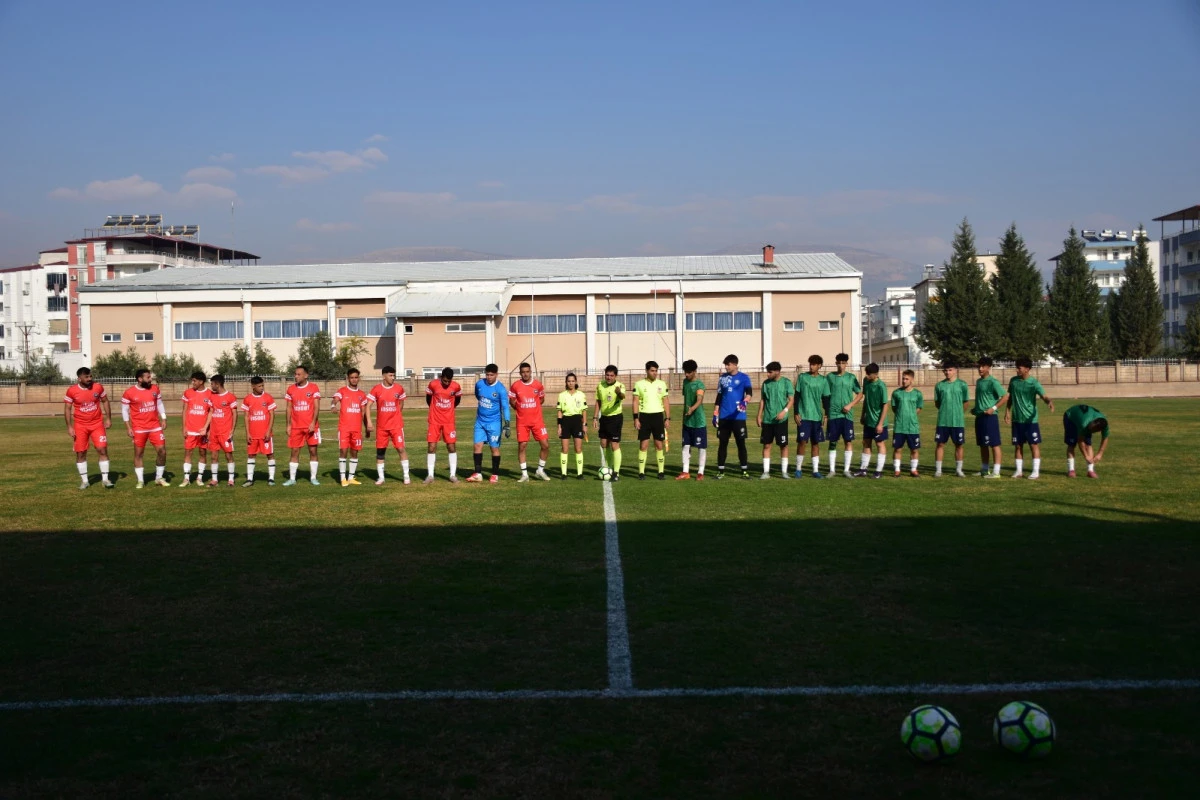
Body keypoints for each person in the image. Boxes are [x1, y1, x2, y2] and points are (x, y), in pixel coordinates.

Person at [1004, 356, 1054, 479]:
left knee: (1033, 445)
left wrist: (1049, 402)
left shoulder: (1034, 383)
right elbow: (1010, 398)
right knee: (1018, 445)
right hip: (1017, 419)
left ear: (1027, 369)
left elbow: (1043, 395)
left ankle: (1035, 471)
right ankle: (1019, 471)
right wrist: (1007, 411)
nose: (1017, 370)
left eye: (1019, 368)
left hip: (1031, 420)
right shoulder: (1013, 381)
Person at [64, 366, 113, 489]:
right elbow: (68, 408)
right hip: (80, 426)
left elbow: (105, 401)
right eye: (86, 377)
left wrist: (108, 418)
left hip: (97, 424)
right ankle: (85, 481)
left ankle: (106, 480)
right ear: (79, 378)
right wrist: (69, 426)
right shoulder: (72, 391)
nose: (90, 378)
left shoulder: (98, 387)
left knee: (102, 450)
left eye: (91, 376)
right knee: (81, 453)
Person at [121, 368, 169, 488]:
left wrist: (164, 418)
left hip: (155, 427)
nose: (150, 379)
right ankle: (141, 480)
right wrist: (128, 427)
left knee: (162, 451)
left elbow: (159, 404)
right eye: (148, 377)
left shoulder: (155, 389)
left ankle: (159, 478)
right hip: (139, 428)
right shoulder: (129, 392)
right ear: (140, 379)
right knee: (139, 454)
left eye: (150, 376)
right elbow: (125, 411)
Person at [713, 353, 753, 479]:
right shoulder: (722, 378)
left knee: (741, 444)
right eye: (725, 364)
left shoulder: (744, 378)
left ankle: (744, 471)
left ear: (735, 365)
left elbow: (749, 393)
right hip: (724, 417)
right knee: (722, 444)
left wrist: (745, 401)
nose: (726, 367)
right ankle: (720, 471)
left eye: (728, 364)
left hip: (738, 418)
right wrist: (715, 413)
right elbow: (719, 396)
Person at [332, 368, 374, 487]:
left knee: (354, 452)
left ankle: (351, 477)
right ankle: (342, 478)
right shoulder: (342, 391)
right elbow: (335, 400)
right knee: (343, 451)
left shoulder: (361, 395)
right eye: (352, 377)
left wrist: (367, 428)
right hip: (344, 428)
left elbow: (364, 413)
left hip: (357, 429)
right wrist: (332, 406)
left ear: (358, 378)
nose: (354, 379)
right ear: (348, 378)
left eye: (356, 377)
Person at [510, 362, 551, 482]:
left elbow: (541, 399)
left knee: (545, 445)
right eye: (523, 372)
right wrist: (520, 409)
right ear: (520, 373)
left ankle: (540, 470)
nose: (525, 374)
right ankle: (524, 474)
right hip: (522, 422)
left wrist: (533, 408)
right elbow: (512, 400)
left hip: (537, 421)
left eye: (527, 372)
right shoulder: (515, 386)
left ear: (530, 372)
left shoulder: (538, 385)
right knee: (522, 446)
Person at [468, 364, 509, 483]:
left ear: (496, 374)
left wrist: (507, 424)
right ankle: (478, 474)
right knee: (477, 446)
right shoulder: (480, 384)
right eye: (487, 374)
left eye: (491, 375)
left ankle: (495, 474)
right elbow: (478, 396)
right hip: (480, 421)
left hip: (494, 423)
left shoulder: (500, 389)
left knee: (494, 448)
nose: (489, 377)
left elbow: (505, 407)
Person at [370, 366, 410, 485]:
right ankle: (381, 478)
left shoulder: (399, 388)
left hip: (396, 426)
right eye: (390, 375)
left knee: (401, 449)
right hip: (382, 427)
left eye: (394, 375)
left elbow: (401, 402)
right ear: (384, 376)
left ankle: (406, 476)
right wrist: (369, 421)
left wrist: (396, 415)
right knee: (380, 452)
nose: (393, 377)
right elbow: (368, 405)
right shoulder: (376, 389)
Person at [825, 353, 863, 478]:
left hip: (847, 415)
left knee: (848, 441)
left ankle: (846, 470)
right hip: (833, 414)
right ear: (836, 363)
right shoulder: (829, 377)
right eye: (839, 362)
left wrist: (850, 405)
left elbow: (859, 394)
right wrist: (826, 413)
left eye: (843, 363)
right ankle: (832, 470)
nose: (841, 365)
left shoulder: (851, 378)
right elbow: (825, 395)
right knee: (832, 442)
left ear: (847, 364)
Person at [283, 364, 322, 486]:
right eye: (295, 374)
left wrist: (312, 423)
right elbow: (289, 408)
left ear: (306, 375)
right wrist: (288, 425)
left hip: (311, 427)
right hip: (296, 427)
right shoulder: (290, 389)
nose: (296, 376)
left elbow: (316, 407)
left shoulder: (313, 388)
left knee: (313, 451)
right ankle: (292, 479)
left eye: (299, 374)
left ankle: (313, 478)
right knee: (294, 452)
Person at [793, 355, 830, 478]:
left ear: (819, 366)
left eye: (814, 364)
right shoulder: (802, 377)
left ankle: (815, 470)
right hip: (804, 415)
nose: (811, 366)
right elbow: (797, 396)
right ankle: (798, 469)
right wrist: (796, 412)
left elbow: (825, 399)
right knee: (802, 442)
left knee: (816, 443)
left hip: (817, 416)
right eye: (810, 364)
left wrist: (826, 414)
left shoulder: (823, 380)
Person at [755, 361, 793, 479]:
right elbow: (763, 400)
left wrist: (784, 412)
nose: (767, 374)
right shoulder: (766, 384)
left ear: (777, 372)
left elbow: (791, 399)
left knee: (783, 446)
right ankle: (766, 472)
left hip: (781, 421)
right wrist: (759, 415)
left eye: (770, 372)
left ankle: (784, 472)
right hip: (768, 420)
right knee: (767, 445)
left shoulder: (786, 382)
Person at [633, 360, 670, 480]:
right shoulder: (639, 384)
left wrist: (667, 417)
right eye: (652, 371)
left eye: (656, 371)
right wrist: (636, 418)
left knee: (659, 445)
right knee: (643, 445)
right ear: (647, 371)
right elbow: (635, 402)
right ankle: (641, 472)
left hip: (658, 417)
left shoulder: (662, 384)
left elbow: (665, 401)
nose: (655, 373)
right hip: (644, 417)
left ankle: (661, 472)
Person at [425, 367, 462, 483]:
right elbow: (428, 399)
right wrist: (436, 410)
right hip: (434, 421)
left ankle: (452, 475)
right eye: (445, 381)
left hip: (449, 421)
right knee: (431, 447)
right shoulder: (433, 385)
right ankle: (430, 475)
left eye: (449, 381)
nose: (447, 383)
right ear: (441, 377)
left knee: (451, 447)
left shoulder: (456, 386)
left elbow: (457, 400)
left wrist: (449, 409)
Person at [933, 363, 970, 478]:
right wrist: (945, 411)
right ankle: (938, 470)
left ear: (955, 370)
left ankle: (959, 470)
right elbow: (937, 403)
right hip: (943, 421)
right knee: (940, 444)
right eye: (945, 370)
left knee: (958, 445)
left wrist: (958, 413)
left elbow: (966, 402)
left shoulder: (962, 385)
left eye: (950, 370)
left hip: (957, 421)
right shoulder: (939, 385)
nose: (947, 372)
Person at [972, 356, 1007, 479]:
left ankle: (996, 472)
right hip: (980, 416)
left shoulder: (993, 382)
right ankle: (985, 469)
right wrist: (975, 409)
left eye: (983, 366)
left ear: (989, 368)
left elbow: (1005, 396)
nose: (980, 369)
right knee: (983, 444)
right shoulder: (979, 381)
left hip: (990, 418)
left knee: (994, 444)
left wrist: (993, 408)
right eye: (979, 366)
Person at [853, 362, 889, 478]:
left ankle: (878, 471)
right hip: (868, 420)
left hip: (878, 422)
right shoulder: (866, 381)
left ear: (876, 374)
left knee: (879, 443)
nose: (867, 376)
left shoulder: (881, 386)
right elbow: (866, 399)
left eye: (869, 374)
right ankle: (863, 469)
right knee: (866, 443)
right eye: (866, 373)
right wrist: (863, 415)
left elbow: (885, 405)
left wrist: (880, 424)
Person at [240, 376, 277, 486]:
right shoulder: (247, 399)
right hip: (253, 434)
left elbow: (272, 415)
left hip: (265, 433)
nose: (262, 388)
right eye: (259, 386)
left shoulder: (268, 398)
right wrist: (247, 433)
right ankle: (250, 479)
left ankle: (271, 478)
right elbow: (246, 417)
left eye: (262, 385)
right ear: (253, 386)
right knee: (251, 455)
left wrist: (268, 431)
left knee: (270, 454)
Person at [178, 371, 212, 487]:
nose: (193, 382)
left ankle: (199, 477)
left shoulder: (210, 394)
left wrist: (207, 428)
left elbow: (211, 412)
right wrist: (184, 427)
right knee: (188, 452)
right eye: (192, 380)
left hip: (202, 431)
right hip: (190, 430)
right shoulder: (188, 393)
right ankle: (186, 478)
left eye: (194, 380)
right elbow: (184, 410)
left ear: (201, 381)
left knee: (203, 452)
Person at [204, 374, 239, 487]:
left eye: (212, 384)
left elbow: (234, 414)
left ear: (217, 384)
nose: (211, 386)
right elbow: (210, 412)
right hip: (214, 432)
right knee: (214, 456)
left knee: (228, 456)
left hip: (225, 432)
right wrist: (206, 428)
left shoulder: (230, 397)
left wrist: (232, 430)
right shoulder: (212, 397)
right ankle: (214, 480)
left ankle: (231, 480)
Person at [594, 365, 626, 481]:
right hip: (604, 418)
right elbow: (598, 402)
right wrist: (595, 417)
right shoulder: (600, 385)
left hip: (616, 418)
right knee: (603, 443)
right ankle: (608, 468)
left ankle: (616, 473)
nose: (609, 377)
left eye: (611, 375)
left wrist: (618, 393)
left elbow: (622, 396)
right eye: (607, 375)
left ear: (615, 376)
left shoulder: (620, 386)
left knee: (614, 445)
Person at [677, 359, 707, 481]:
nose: (686, 375)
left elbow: (699, 399)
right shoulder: (685, 382)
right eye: (685, 372)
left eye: (689, 372)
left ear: (695, 371)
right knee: (685, 446)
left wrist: (692, 409)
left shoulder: (700, 385)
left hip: (699, 421)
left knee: (701, 447)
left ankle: (700, 472)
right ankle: (685, 471)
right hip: (687, 421)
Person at [890, 369, 923, 477]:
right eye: (903, 378)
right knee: (897, 448)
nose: (904, 381)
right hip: (899, 426)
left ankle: (913, 469)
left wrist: (911, 416)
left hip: (912, 427)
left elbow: (919, 408)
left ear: (912, 380)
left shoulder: (917, 394)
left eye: (906, 379)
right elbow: (894, 408)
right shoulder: (896, 393)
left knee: (914, 449)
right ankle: (897, 470)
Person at [1063, 404, 1110, 478]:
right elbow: (1080, 441)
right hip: (1070, 417)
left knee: (1088, 444)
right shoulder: (1084, 424)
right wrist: (1086, 456)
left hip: (1084, 418)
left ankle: (1090, 470)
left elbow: (1105, 438)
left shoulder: (1104, 424)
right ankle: (1071, 470)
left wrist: (1100, 454)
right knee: (1072, 444)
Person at [556, 372, 589, 479]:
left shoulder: (581, 394)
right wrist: (559, 426)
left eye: (572, 381)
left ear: (576, 382)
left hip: (577, 422)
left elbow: (584, 411)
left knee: (578, 448)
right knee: (564, 448)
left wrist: (584, 424)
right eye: (569, 381)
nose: (571, 383)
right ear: (566, 382)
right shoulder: (562, 395)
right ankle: (563, 473)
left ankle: (580, 474)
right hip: (565, 422)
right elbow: (560, 412)